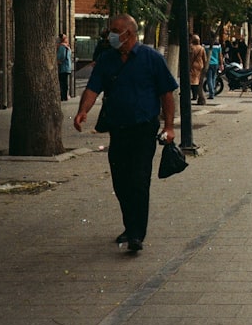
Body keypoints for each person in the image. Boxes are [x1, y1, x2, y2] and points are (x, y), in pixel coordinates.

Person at [73, 14, 178, 253]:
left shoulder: (151, 59)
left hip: (144, 129)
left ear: (128, 34)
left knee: (139, 180)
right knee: (121, 182)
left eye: (113, 30)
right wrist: (82, 111)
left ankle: (136, 234)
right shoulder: (107, 59)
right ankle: (130, 225)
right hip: (118, 130)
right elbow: (93, 88)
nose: (108, 35)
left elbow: (167, 94)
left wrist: (169, 126)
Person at [189, 33, 207, 105]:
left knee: (192, 80)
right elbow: (204, 58)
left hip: (192, 65)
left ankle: (194, 95)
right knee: (197, 80)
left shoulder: (191, 47)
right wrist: (205, 66)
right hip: (200, 65)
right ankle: (196, 95)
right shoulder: (201, 48)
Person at [57, 33, 73, 101]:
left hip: (63, 67)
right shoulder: (68, 47)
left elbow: (61, 56)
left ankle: (63, 96)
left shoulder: (62, 47)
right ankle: (65, 96)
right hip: (67, 67)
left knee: (62, 82)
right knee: (65, 82)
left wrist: (57, 61)